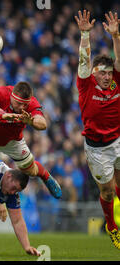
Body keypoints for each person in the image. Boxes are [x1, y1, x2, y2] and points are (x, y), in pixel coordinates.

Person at [74, 10, 120, 249]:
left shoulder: (117, 81)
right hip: (96, 148)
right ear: (94, 73)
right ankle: (112, 227)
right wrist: (85, 34)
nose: (106, 76)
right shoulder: (85, 84)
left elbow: (119, 61)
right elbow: (84, 59)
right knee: (108, 191)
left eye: (109, 72)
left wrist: (116, 37)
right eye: (101, 72)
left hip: (118, 140)